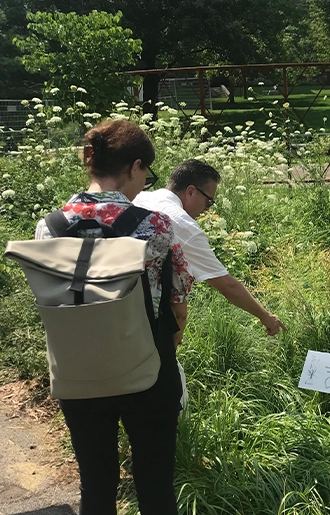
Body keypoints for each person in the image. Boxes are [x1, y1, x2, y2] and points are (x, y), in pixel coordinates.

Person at [35, 119, 193, 515]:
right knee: (155, 484)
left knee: (96, 483)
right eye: (146, 173)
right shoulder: (153, 225)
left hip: (77, 371)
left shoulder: (48, 227)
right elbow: (178, 301)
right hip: (146, 366)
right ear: (135, 166)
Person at [134, 159, 286, 336]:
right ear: (191, 191)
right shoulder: (182, 224)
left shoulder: (139, 197)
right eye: (209, 202)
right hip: (146, 323)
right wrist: (266, 317)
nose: (207, 209)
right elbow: (227, 286)